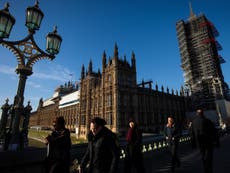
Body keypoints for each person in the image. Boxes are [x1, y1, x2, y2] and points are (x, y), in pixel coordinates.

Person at [191, 109, 220, 173]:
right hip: (209, 142)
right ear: (203, 113)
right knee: (209, 157)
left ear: (197, 114)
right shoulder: (208, 121)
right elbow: (214, 132)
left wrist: (193, 144)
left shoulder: (194, 122)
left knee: (203, 156)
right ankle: (209, 169)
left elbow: (192, 133)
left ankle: (205, 169)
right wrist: (217, 142)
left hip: (200, 143)